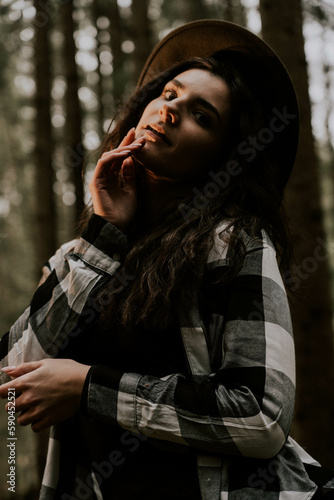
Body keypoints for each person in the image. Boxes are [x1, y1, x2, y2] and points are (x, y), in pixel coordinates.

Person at [0, 19, 332, 500]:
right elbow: (13, 374)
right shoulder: (79, 256)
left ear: (224, 157)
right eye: (170, 93)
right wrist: (101, 236)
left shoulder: (235, 243)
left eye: (203, 115)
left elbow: (260, 416)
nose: (171, 110)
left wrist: (89, 388)